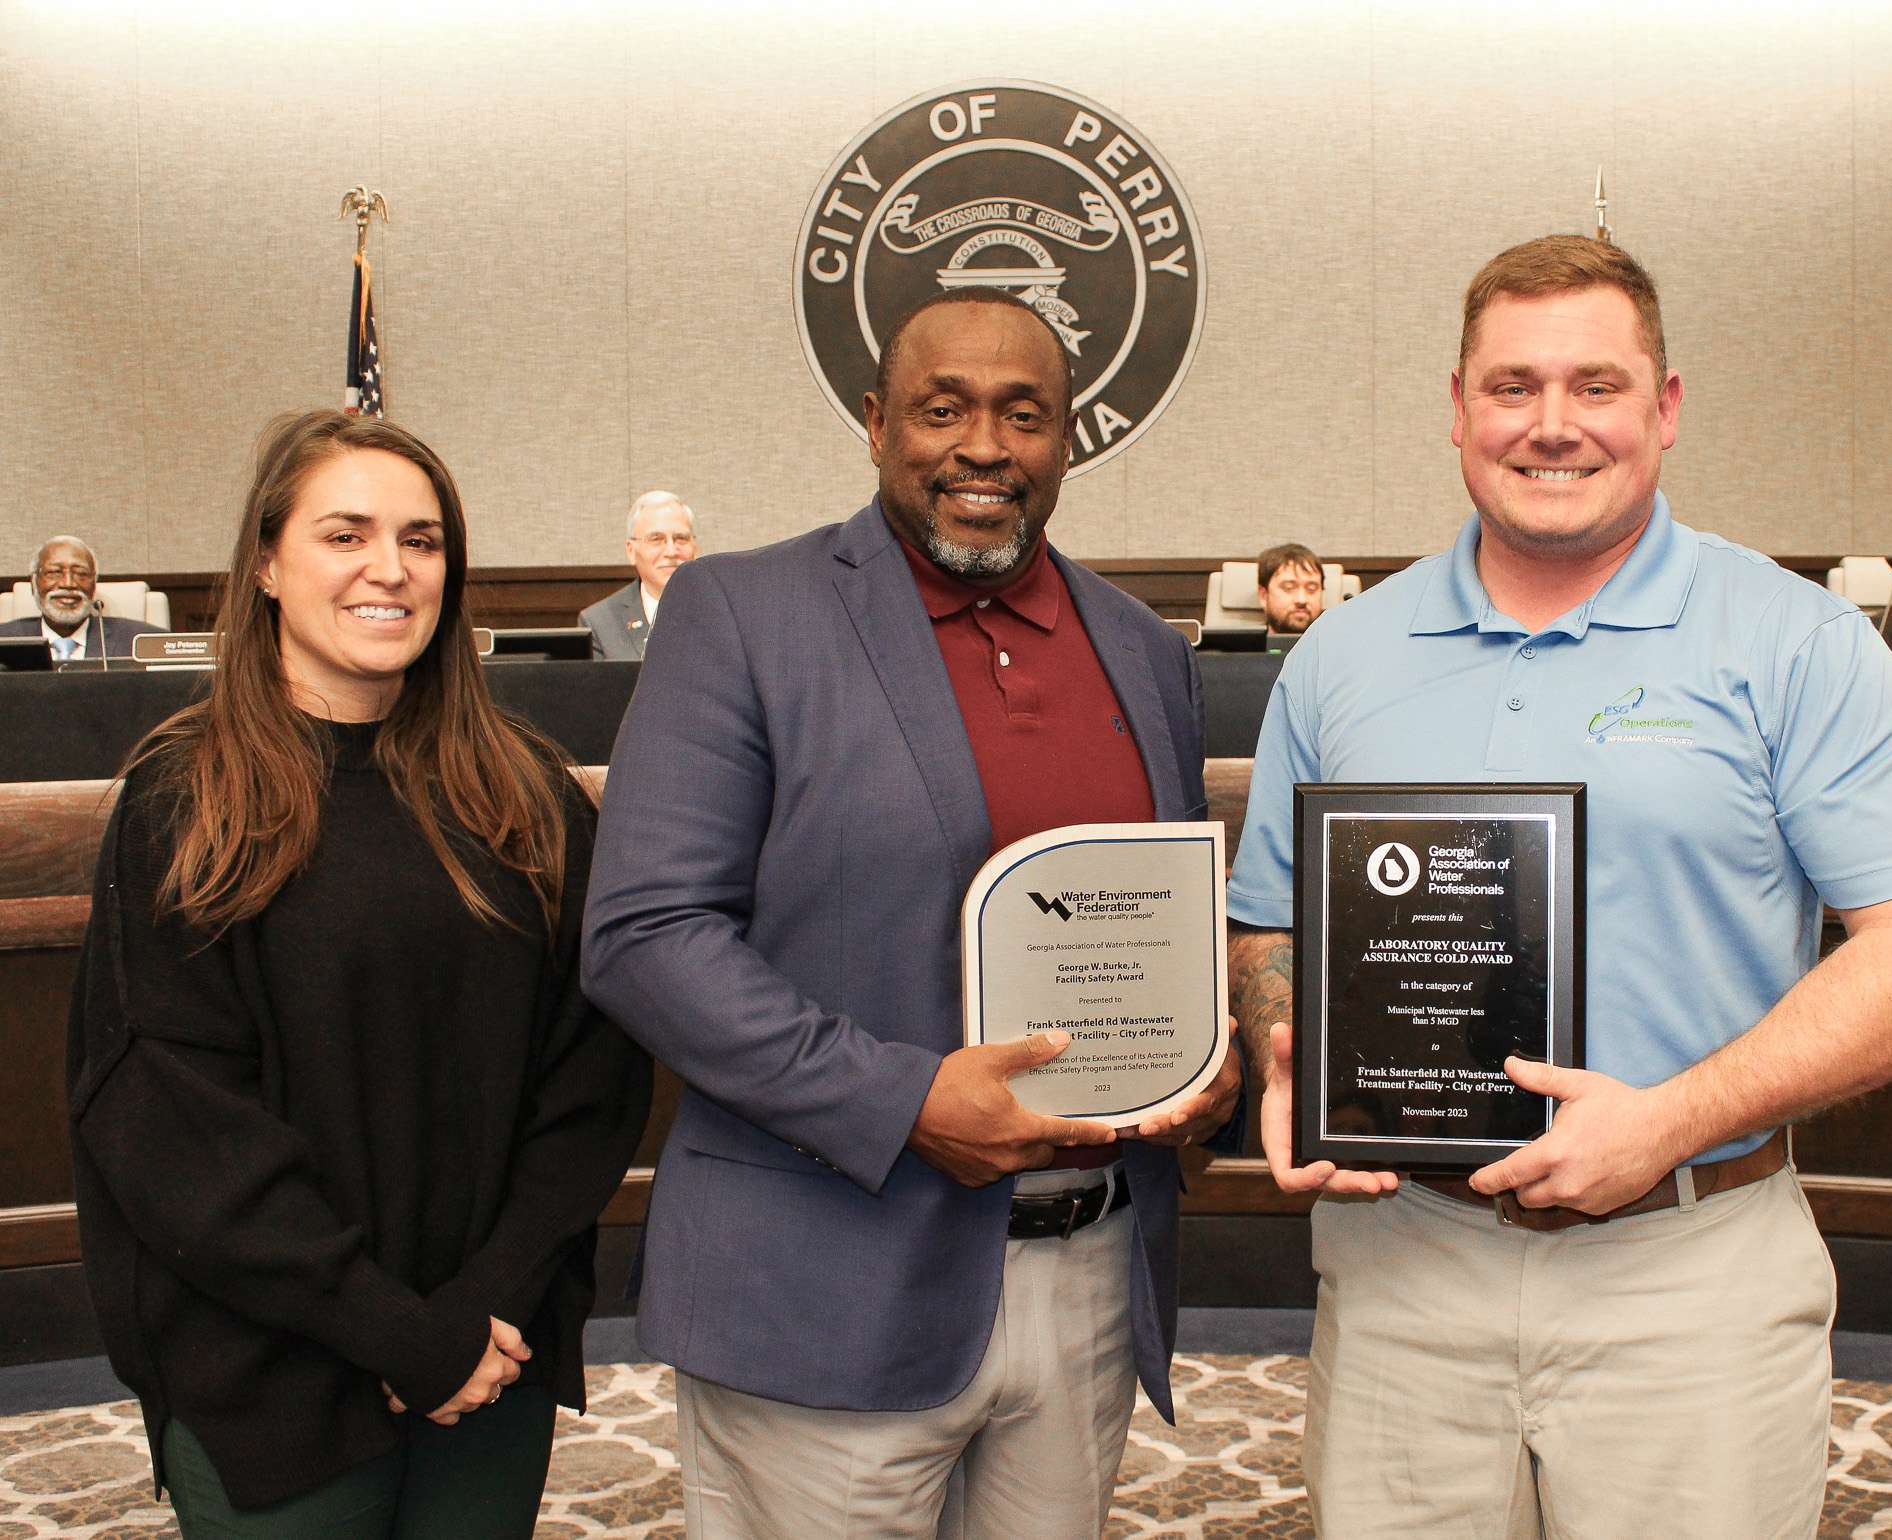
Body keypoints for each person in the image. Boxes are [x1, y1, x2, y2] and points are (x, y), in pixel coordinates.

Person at [1225, 236, 1892, 1538]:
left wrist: (1674, 1118)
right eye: (1513, 386)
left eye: (1596, 385)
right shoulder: (1343, 656)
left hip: (1687, 1271)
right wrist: (1286, 1043)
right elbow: (1271, 917)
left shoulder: (1795, 642)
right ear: (1458, 407)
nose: (1553, 425)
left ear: (1665, 408)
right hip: (1405, 1269)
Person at [582, 286, 1241, 1540]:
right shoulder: (741, 615)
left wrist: (1196, 1062)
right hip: (824, 1275)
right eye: (943, 409)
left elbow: (1152, 924)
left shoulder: (1141, 650)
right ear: (877, 424)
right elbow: (647, 936)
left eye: (1023, 413)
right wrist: (902, 1101)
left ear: (1067, 440)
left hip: (1090, 1270)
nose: (983, 445)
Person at [68, 410, 652, 1537]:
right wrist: (391, 1329)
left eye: (422, 541)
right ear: (267, 564)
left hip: (491, 1352)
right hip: (271, 1370)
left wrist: (481, 1308)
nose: (390, 569)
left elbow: (590, 1076)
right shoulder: (184, 798)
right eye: (346, 534)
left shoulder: (521, 790)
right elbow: (168, 1120)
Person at [0, 536, 167, 660]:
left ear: (94, 583)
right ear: (34, 582)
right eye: (55, 572)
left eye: (81, 574)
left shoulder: (142, 640)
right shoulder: (5, 639)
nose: (68, 583)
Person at [578, 491, 697, 659]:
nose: (671, 551)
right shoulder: (600, 622)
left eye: (681, 538)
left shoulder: (725, 613)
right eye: (656, 539)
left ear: (695, 548)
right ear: (631, 551)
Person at [1256, 542, 1326, 634]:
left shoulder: (1342, 645)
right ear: (1264, 595)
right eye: (1289, 588)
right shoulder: (1240, 647)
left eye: (1311, 589)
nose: (1301, 600)